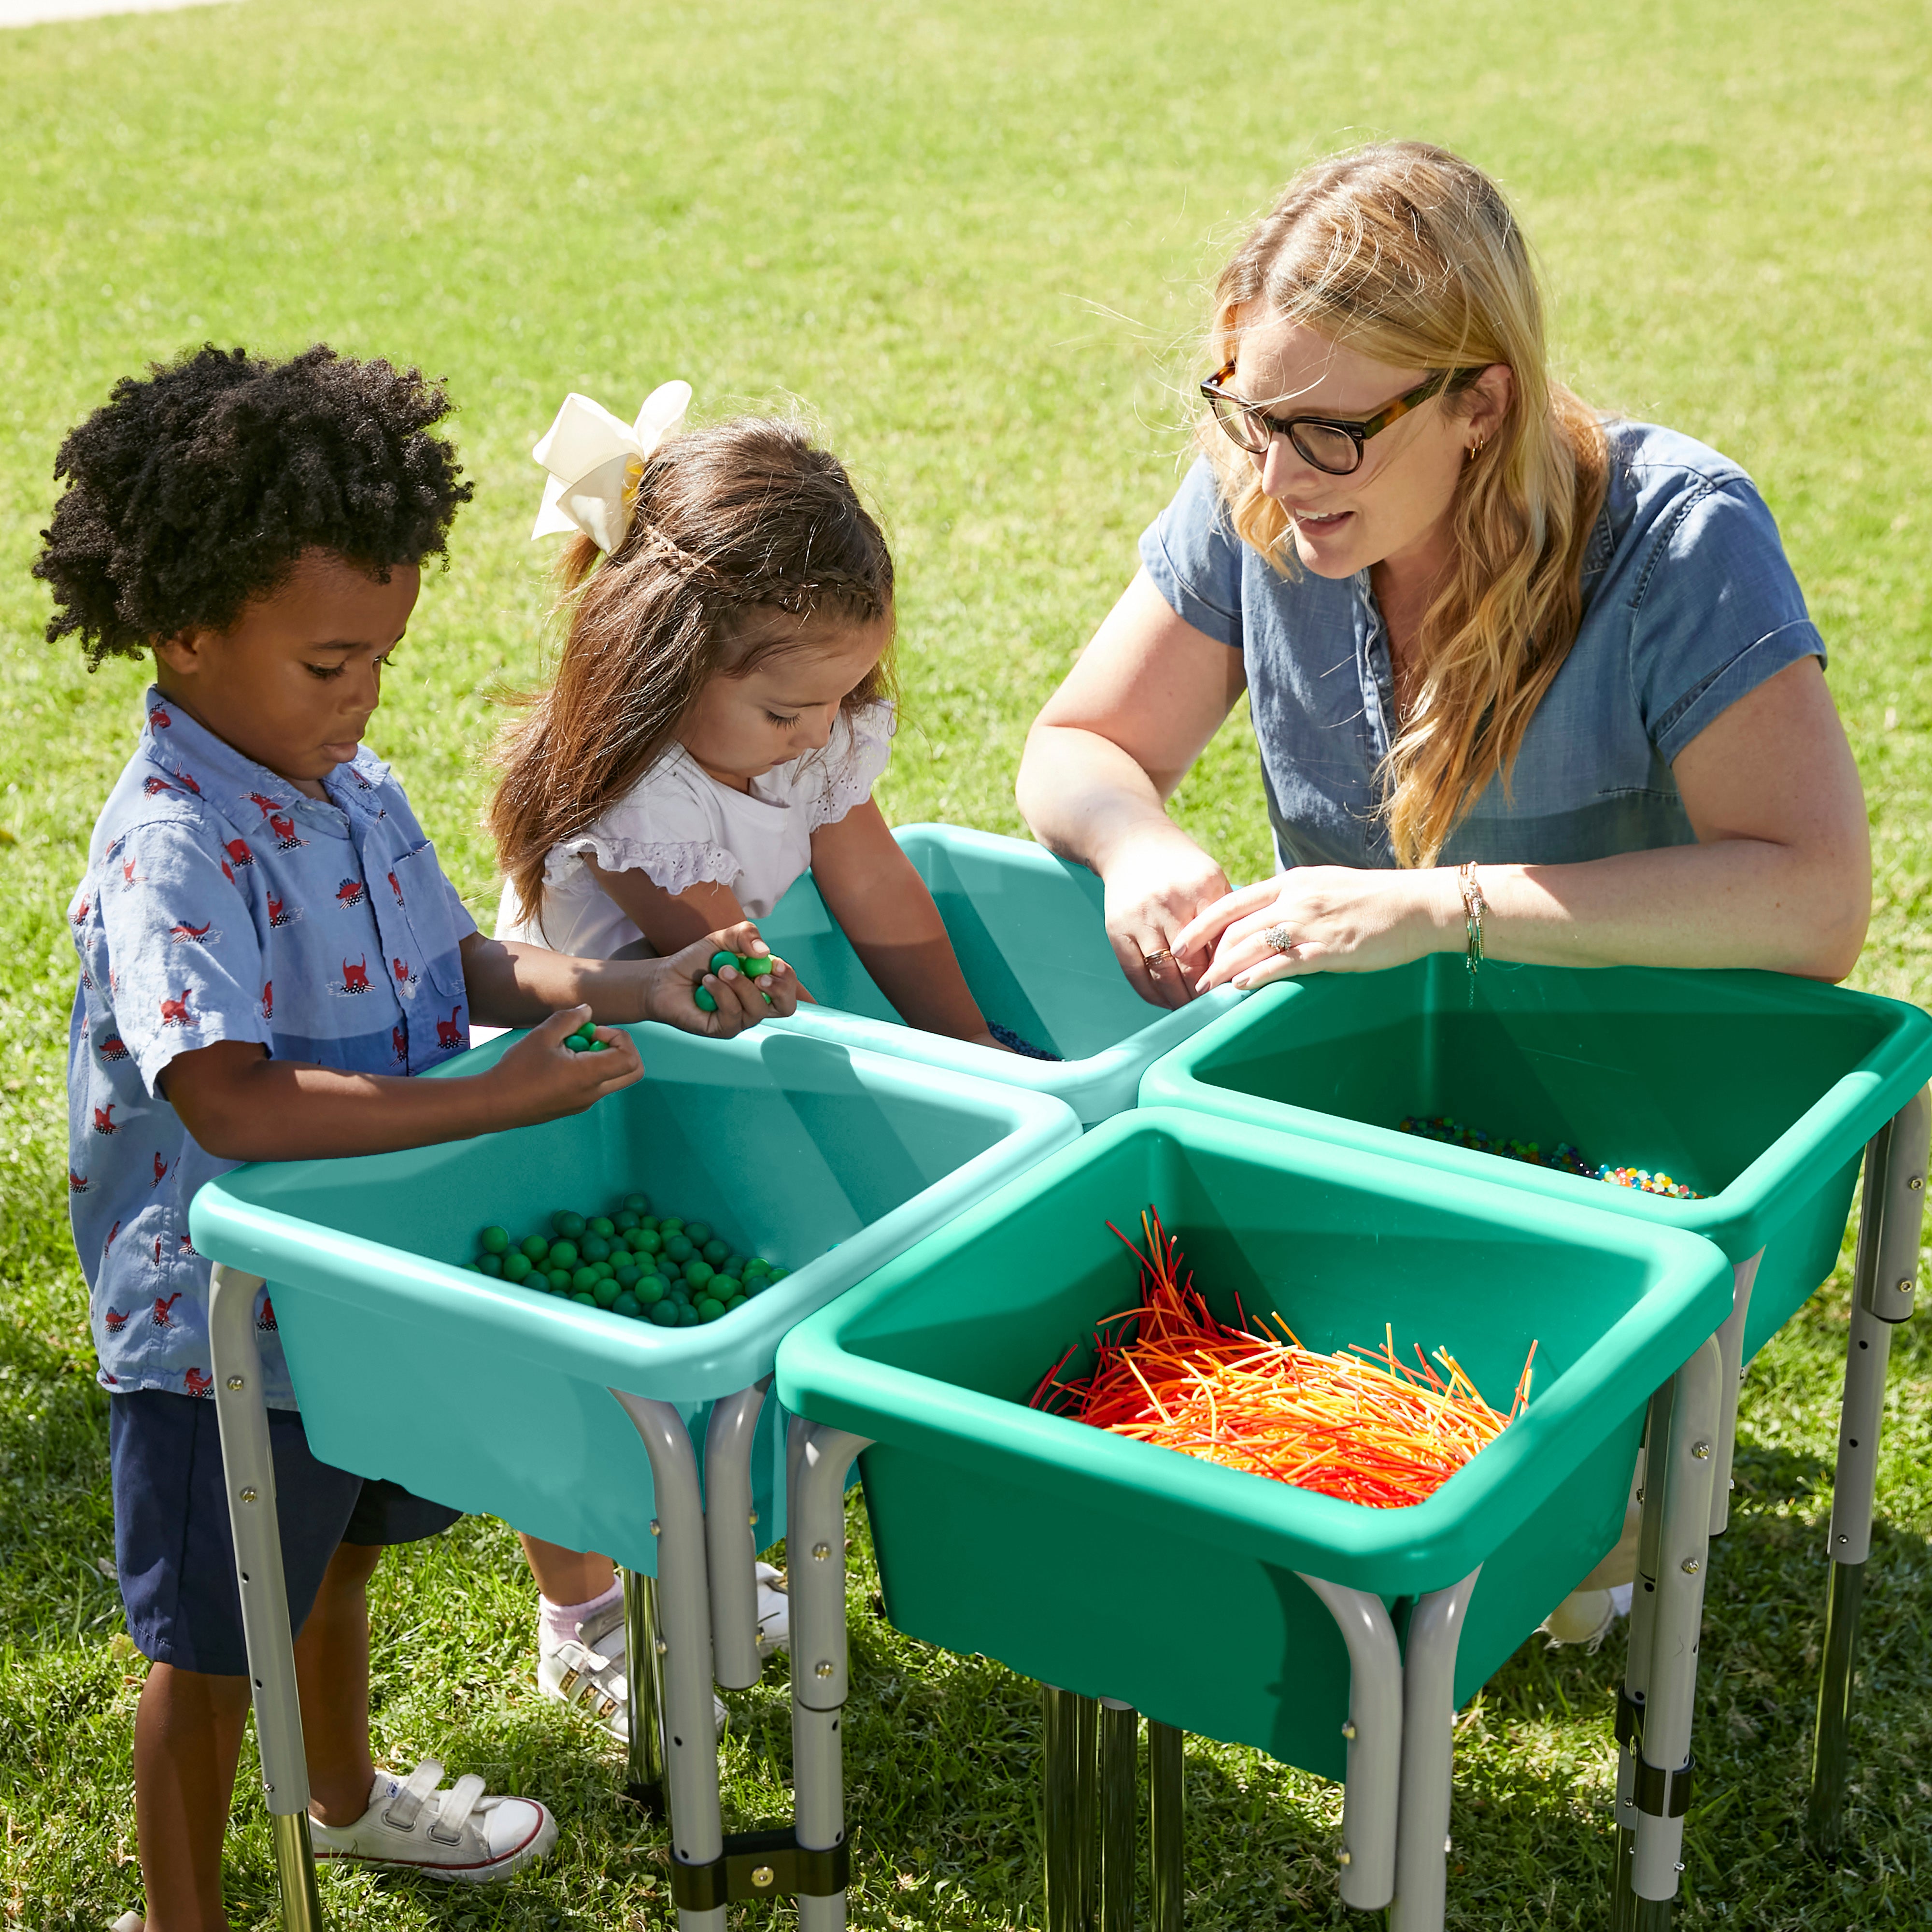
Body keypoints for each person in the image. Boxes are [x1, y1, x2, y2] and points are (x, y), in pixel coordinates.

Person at [1015, 141, 1871, 1639]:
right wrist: (1135, 845)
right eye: (1252, 414)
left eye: (1331, 432)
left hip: (1628, 1129)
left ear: (1481, 402)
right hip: (1376, 1097)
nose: (1278, 479)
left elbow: (1812, 899)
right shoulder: (1268, 496)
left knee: (1557, 1549)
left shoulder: (1678, 540)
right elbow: (1079, 744)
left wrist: (1445, 906)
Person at [40, 345, 794, 1931]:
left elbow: (457, 963)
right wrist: (484, 1099)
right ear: (184, 635)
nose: (364, 695)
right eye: (330, 663)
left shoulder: (348, 778)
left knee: (336, 1562)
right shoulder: (173, 843)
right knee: (209, 1647)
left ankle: (341, 1800)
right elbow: (229, 1099)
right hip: (215, 1330)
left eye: (379, 656)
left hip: (352, 1296)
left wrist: (630, 981)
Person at [486, 388, 1031, 1738]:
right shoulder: (628, 793)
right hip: (599, 1073)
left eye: (844, 699)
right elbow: (716, 953)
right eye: (793, 706)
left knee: (718, 1310)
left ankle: (699, 1555)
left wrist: (973, 1044)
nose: (822, 733)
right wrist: (870, 1064)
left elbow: (879, 889)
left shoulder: (805, 736)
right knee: (599, 1351)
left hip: (715, 1060)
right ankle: (583, 1611)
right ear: (669, 662)